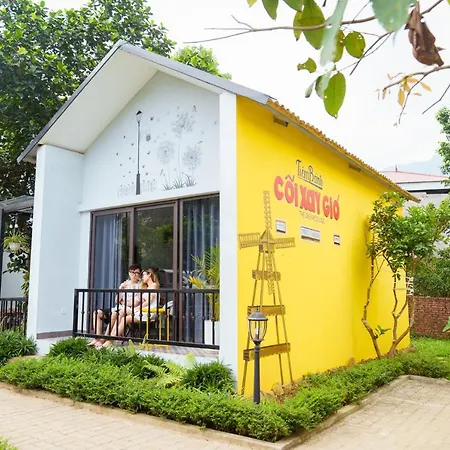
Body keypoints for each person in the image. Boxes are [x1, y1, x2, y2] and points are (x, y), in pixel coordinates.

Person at [88, 264, 142, 347]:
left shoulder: (140, 285)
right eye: (132, 272)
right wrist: (121, 290)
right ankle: (98, 338)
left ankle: (105, 339)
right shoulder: (125, 284)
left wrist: (123, 302)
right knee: (97, 313)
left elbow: (135, 303)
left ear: (140, 274)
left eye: (136, 273)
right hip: (118, 308)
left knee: (115, 314)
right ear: (129, 273)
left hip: (129, 310)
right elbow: (117, 300)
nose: (134, 275)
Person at [106, 267, 161, 342]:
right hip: (143, 310)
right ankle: (109, 338)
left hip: (148, 312)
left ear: (149, 275)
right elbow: (143, 300)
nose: (142, 277)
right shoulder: (147, 287)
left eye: (144, 275)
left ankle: (109, 340)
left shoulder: (154, 285)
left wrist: (137, 308)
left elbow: (148, 301)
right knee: (121, 313)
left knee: (124, 317)